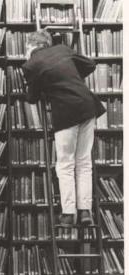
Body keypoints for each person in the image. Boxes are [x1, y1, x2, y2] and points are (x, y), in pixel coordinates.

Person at [22, 29, 106, 226]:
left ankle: (68, 213)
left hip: (65, 112)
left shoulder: (31, 64)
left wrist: (44, 83)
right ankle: (85, 211)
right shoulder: (62, 49)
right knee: (84, 161)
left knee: (65, 163)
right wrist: (72, 75)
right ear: (48, 43)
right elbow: (90, 65)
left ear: (30, 46)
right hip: (87, 106)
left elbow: (32, 98)